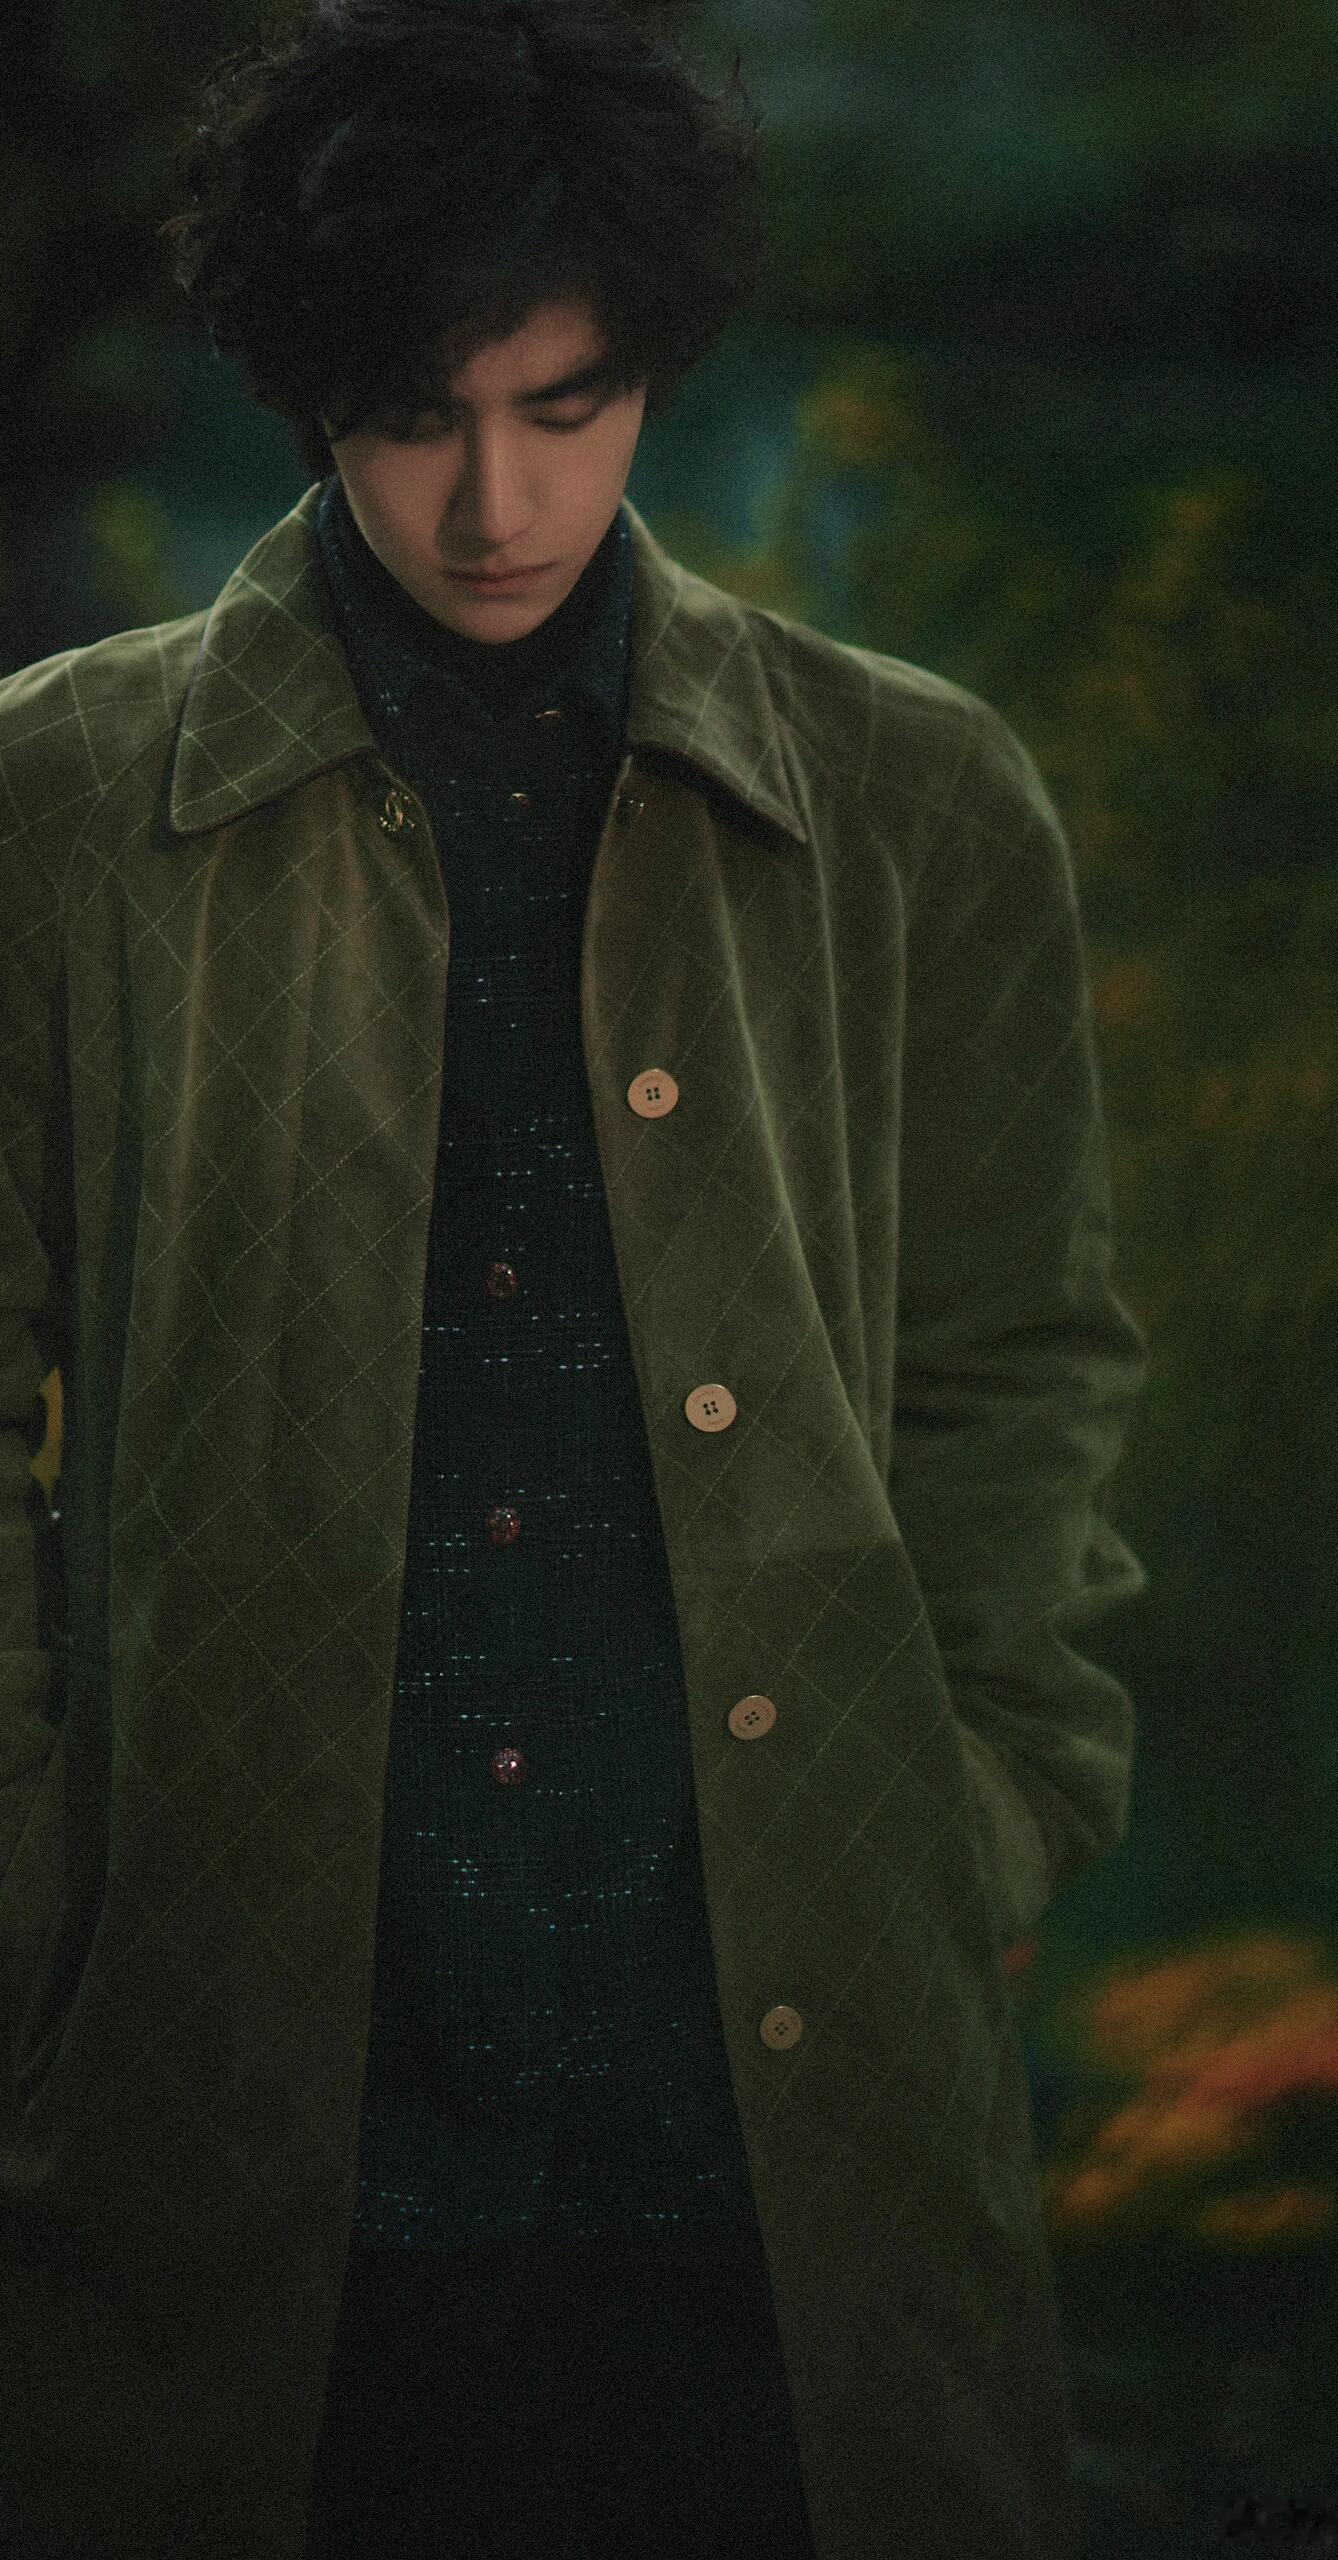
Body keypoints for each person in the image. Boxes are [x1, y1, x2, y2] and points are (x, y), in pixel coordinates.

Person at [0, 1, 1151, 2554]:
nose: (495, 496)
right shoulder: (52, 802)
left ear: (657, 366)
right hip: (224, 2086)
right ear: (307, 392)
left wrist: (975, 1803)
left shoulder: (917, 796)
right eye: (415, 413)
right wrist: (38, 1914)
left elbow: (1019, 1364)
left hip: (777, 2088)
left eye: (568, 400)